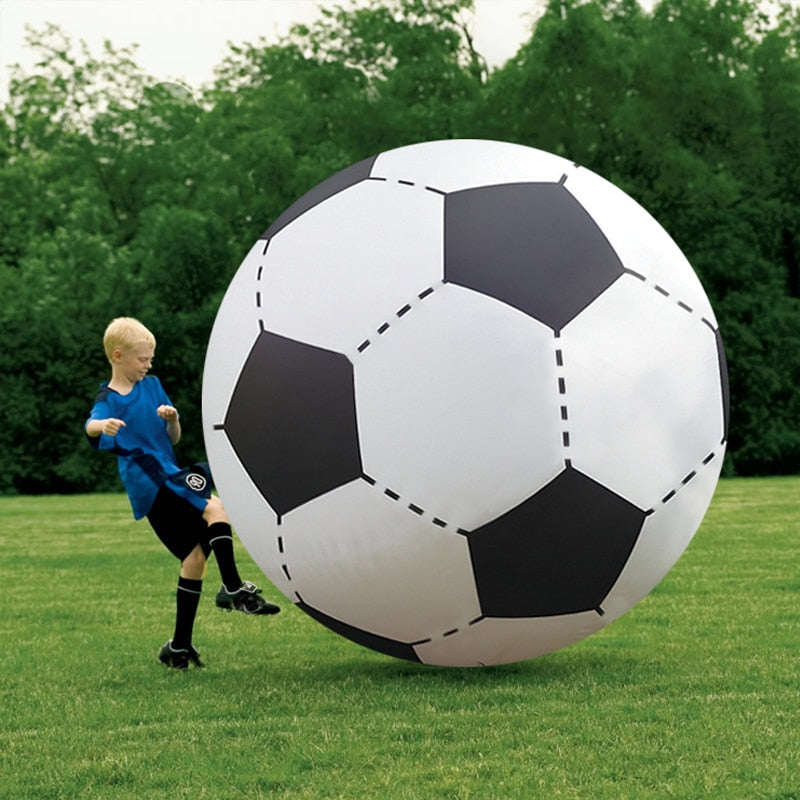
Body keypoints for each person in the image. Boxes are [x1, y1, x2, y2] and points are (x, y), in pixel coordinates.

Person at [85, 317, 279, 670]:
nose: (148, 365)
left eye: (150, 359)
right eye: (143, 359)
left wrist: (172, 419)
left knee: (194, 559)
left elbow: (172, 438)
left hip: (168, 474)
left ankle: (178, 648)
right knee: (215, 507)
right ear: (118, 356)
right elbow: (91, 425)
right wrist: (103, 425)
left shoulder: (154, 386)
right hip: (151, 480)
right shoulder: (109, 399)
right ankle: (233, 588)